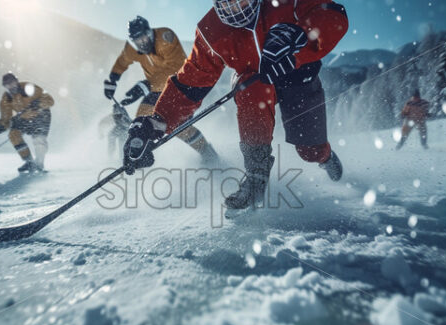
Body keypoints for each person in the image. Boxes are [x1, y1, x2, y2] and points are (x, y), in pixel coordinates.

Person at [121, 0, 348, 212]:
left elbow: (333, 15)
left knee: (309, 151)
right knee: (248, 91)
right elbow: (192, 81)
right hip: (253, 80)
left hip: (298, 77)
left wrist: (299, 33)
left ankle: (325, 157)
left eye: (242, 1)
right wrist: (156, 122)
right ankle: (256, 175)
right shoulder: (211, 30)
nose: (238, 10)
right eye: (228, 4)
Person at [104, 16, 219, 163]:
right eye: (137, 40)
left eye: (144, 37)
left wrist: (146, 84)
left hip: (179, 88)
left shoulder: (165, 37)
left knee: (178, 127)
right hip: (155, 90)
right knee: (141, 122)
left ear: (150, 32)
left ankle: (207, 153)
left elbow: (176, 67)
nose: (142, 43)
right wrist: (112, 81)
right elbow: (122, 61)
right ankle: (139, 156)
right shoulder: (133, 48)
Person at [0, 73, 54, 173]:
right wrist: (1, 126)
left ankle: (39, 164)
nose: (11, 86)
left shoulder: (28, 88)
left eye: (12, 83)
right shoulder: (6, 99)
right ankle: (29, 162)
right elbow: (6, 118)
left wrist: (38, 103)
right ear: (4, 86)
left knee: (38, 139)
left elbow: (50, 100)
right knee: (13, 135)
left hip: (41, 116)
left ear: (16, 81)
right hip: (24, 118)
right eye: (7, 84)